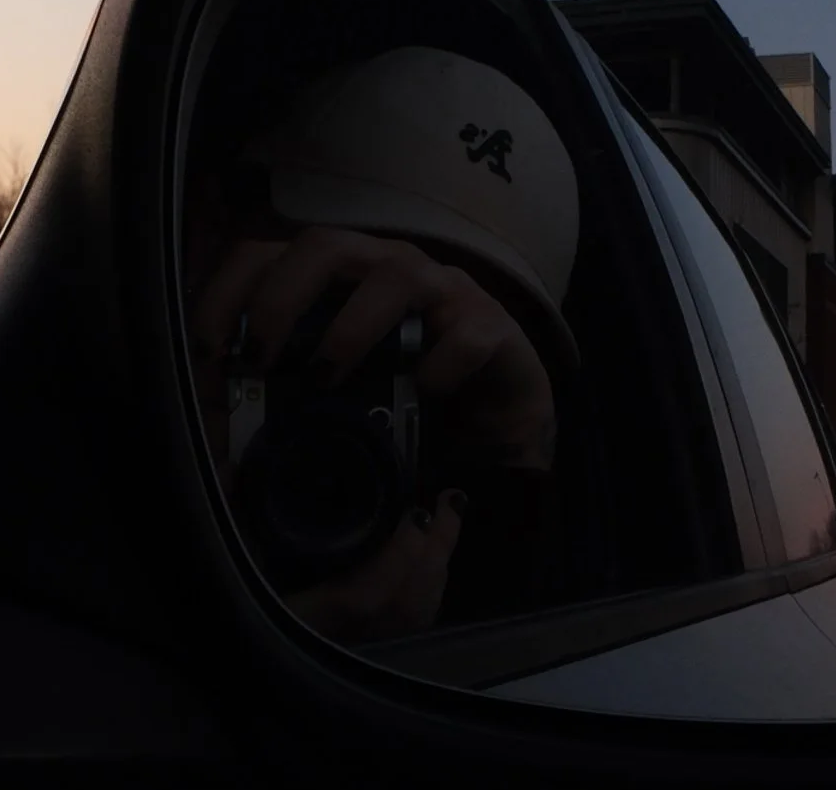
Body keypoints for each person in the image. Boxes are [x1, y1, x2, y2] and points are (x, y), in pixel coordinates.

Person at [185, 44, 582, 642]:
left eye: (436, 343)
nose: (368, 350)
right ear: (205, 234)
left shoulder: (461, 528)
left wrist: (512, 466)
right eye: (334, 295)